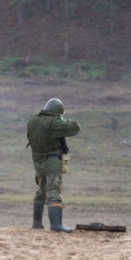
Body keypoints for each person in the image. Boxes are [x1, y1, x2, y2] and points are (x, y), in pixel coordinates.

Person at [26, 98, 80, 233]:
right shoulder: (54, 123)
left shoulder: (33, 120)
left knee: (41, 190)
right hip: (52, 160)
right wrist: (61, 119)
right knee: (54, 191)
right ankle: (56, 225)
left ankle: (36, 222)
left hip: (38, 161)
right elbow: (75, 128)